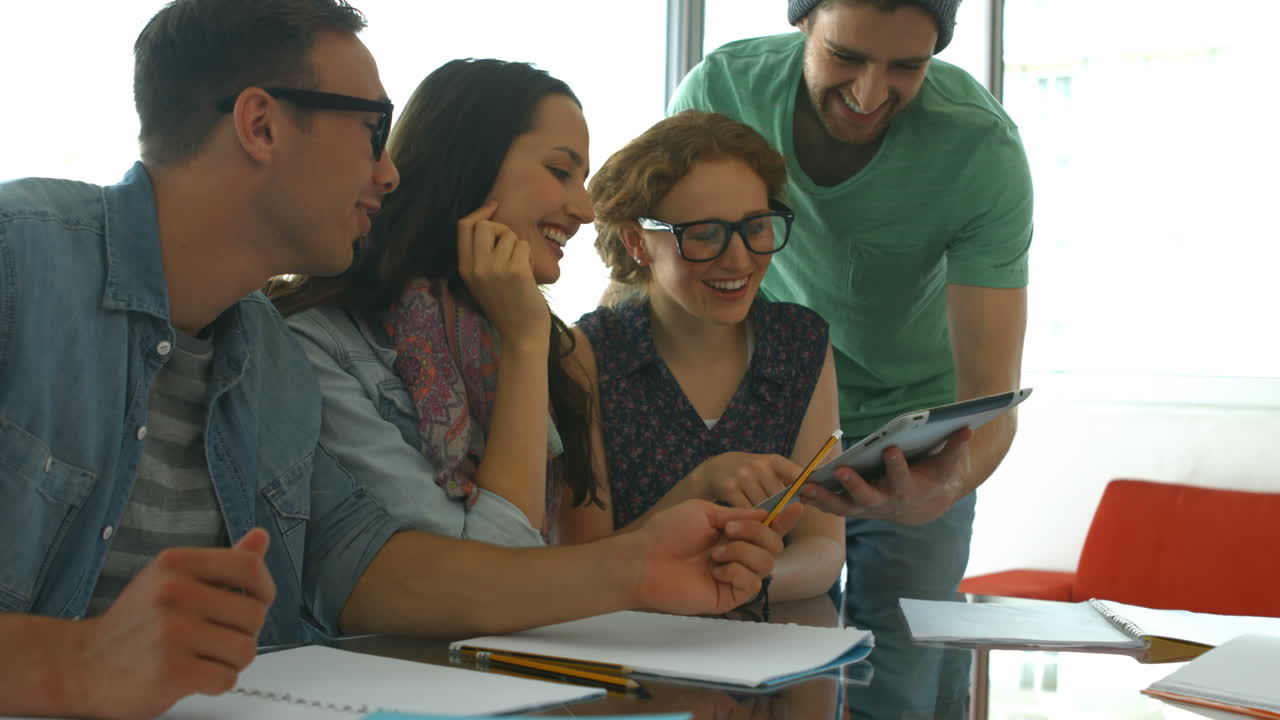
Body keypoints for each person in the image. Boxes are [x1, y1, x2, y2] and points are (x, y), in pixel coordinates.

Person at [0, 2, 799, 717]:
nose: (389, 171)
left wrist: (639, 566)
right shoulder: (19, 259)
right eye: (370, 132)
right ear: (261, 125)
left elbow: (373, 574)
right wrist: (74, 662)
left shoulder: (266, 357)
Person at [271, 60, 805, 551]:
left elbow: (550, 571)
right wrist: (527, 341)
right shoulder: (323, 344)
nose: (585, 209)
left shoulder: (541, 342)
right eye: (559, 172)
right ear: (469, 164)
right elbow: (498, 570)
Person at [667, 0, 1032, 715]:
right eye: (847, 56)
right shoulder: (725, 92)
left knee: (899, 682)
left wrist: (946, 484)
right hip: (766, 414)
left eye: (907, 67)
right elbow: (659, 258)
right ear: (802, 22)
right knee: (746, 658)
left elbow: (993, 393)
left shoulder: (979, 148)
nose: (870, 95)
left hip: (915, 433)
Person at [563, 110, 846, 604]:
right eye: (704, 234)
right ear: (636, 241)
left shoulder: (802, 343)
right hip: (628, 650)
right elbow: (581, 559)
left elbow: (823, 544)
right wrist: (699, 483)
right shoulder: (587, 353)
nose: (738, 259)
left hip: (770, 643)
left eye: (755, 227)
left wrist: (751, 581)